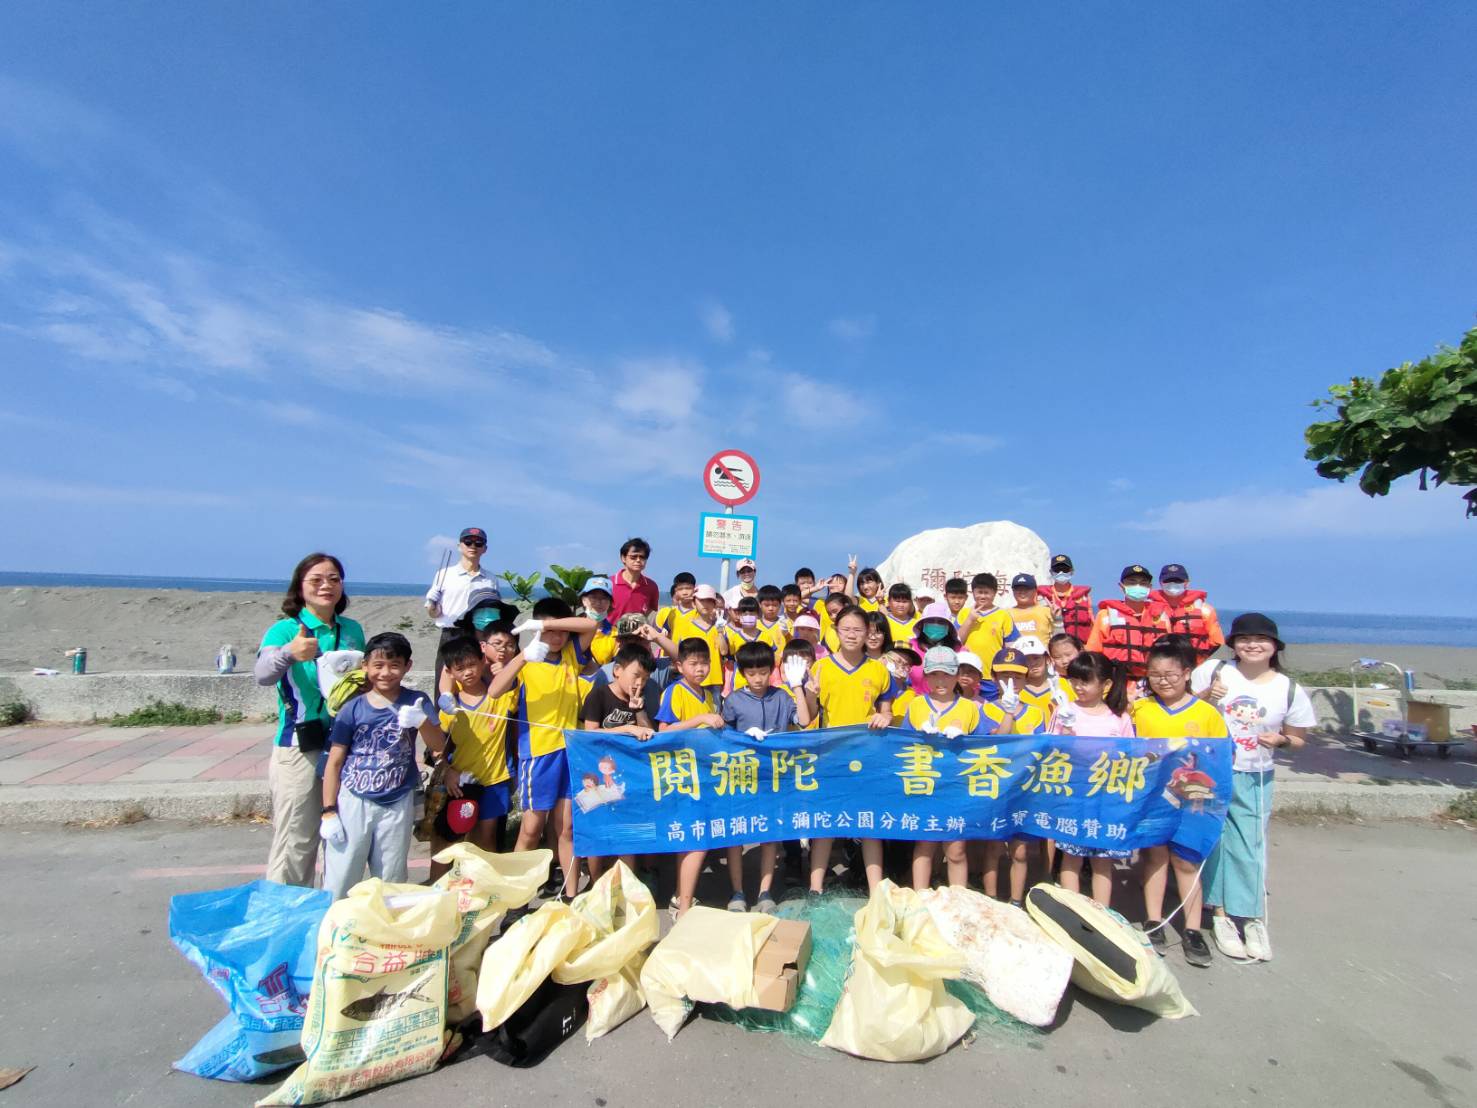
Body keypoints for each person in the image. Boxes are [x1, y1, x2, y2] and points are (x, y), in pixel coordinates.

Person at [1193, 613, 1314, 962]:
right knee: (1213, 842)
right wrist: (1205, 695)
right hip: (1211, 770)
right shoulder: (1215, 671)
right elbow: (1184, 706)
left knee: (1249, 843)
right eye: (1244, 639)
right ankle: (1218, 914)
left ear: (1274, 646)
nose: (1252, 644)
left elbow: (1298, 738)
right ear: (1233, 644)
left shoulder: (1287, 688)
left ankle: (1249, 916)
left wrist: (1281, 741)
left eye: (1261, 639)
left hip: (1255, 773)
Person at [255, 552, 366, 887]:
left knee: (341, 835)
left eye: (334, 578)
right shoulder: (285, 629)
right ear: (299, 587)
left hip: (345, 746)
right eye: (316, 579)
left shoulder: (352, 630)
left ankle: (330, 915)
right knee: (297, 842)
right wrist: (290, 653)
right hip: (299, 747)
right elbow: (261, 674)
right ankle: (285, 918)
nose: (326, 586)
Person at [320, 632, 449, 899]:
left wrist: (422, 721)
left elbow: (439, 744)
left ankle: (386, 934)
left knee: (391, 878)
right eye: (378, 665)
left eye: (394, 665)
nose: (386, 673)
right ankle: (334, 931)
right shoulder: (352, 708)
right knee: (342, 874)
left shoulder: (417, 701)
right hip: (354, 799)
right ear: (365, 666)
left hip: (397, 799)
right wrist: (329, 810)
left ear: (407, 666)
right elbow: (335, 761)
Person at [1130, 637, 1231, 968]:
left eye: (1171, 674)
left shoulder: (1206, 714)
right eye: (1155, 674)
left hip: (1191, 800)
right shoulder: (1141, 708)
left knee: (1186, 861)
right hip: (1152, 796)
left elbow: (1222, 755)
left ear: (1187, 673)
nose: (1163, 680)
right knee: (1155, 857)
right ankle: (1153, 920)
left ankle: (1191, 929)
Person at [486, 598, 588, 899]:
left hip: (569, 752)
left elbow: (590, 624)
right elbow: (494, 690)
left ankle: (571, 897)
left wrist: (546, 624)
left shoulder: (571, 653)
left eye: (561, 630)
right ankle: (516, 901)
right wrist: (522, 657)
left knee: (566, 828)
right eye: (550, 630)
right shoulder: (527, 660)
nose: (557, 637)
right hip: (538, 755)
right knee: (531, 829)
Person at [808, 605, 895, 893]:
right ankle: (815, 888)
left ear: (868, 633)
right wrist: (809, 691)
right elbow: (809, 715)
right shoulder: (820, 668)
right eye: (846, 629)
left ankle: (876, 891)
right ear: (835, 631)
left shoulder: (878, 669)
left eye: (858, 629)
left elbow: (886, 710)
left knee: (869, 824)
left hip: (867, 757)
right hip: (831, 756)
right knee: (826, 825)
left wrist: (884, 716)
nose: (852, 635)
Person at [721, 641, 813, 912]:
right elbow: (722, 736)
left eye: (763, 672)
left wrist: (797, 686)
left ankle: (764, 892)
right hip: (741, 774)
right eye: (751, 673)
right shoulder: (734, 700)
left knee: (770, 833)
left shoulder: (782, 697)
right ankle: (737, 892)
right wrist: (741, 737)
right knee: (736, 835)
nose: (758, 678)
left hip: (774, 776)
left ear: (772, 670)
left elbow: (805, 721)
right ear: (742, 673)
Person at [901, 646, 990, 891]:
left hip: (956, 786)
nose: (940, 681)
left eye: (947, 675)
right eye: (934, 675)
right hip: (924, 783)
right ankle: (920, 897)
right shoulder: (917, 705)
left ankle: (958, 899)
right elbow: (900, 746)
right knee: (925, 844)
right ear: (925, 677)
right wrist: (919, 737)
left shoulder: (970, 707)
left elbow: (986, 745)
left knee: (956, 848)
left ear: (956, 676)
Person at [1049, 651, 1135, 906]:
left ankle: (1102, 912)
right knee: (1071, 856)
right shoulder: (1065, 711)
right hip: (1073, 796)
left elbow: (1130, 757)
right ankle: (1072, 909)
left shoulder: (1119, 717)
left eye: (1085, 681)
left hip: (1105, 798)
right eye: (1074, 680)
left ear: (1106, 684)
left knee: (1102, 860)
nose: (1077, 687)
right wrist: (1064, 727)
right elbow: (1052, 751)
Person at [430, 636, 514, 873]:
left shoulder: (501, 697)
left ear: (482, 662)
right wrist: (447, 771)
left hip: (494, 781)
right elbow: (438, 747)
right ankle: (438, 892)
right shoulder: (450, 707)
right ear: (450, 672)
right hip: (459, 784)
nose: (468, 672)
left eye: (472, 665)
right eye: (460, 668)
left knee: (486, 841)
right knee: (449, 841)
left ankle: (481, 892)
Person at [655, 639, 726, 916]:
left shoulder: (708, 695)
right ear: (679, 665)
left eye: (704, 663)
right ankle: (683, 906)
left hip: (704, 775)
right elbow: (663, 731)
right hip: (683, 776)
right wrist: (700, 719)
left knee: (694, 841)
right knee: (695, 841)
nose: (700, 669)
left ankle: (681, 897)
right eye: (693, 663)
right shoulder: (675, 691)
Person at [579, 642, 658, 879]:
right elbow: (589, 734)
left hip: (627, 777)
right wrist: (626, 728)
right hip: (598, 776)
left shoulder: (639, 701)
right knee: (598, 831)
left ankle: (628, 883)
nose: (639, 683)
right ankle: (595, 884)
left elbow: (649, 734)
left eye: (645, 679)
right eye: (636, 675)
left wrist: (639, 711)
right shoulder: (599, 694)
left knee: (628, 832)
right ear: (617, 670)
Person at [425, 528, 502, 664]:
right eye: (468, 542)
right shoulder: (444, 574)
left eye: (478, 543)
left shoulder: (490, 579)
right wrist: (431, 602)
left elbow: (494, 612)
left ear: (485, 548)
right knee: (444, 682)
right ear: (459, 546)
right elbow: (434, 613)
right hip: (450, 635)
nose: (473, 546)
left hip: (478, 636)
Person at [1086, 564, 1170, 685]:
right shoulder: (1106, 616)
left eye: (1143, 583)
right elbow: (1092, 654)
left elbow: (1170, 654)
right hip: (1115, 683)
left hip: (1151, 683)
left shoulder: (1161, 617)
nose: (1138, 586)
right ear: (1122, 586)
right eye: (1132, 582)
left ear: (1150, 587)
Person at [1149, 564, 1225, 665]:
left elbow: (1218, 645)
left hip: (1196, 668)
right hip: (1160, 670)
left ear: (1186, 583)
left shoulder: (1205, 610)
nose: (1173, 584)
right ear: (1160, 583)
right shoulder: (1148, 608)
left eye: (1178, 581)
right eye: (1168, 581)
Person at [959, 573, 1018, 696]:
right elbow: (957, 640)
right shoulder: (964, 613)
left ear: (994, 593)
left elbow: (1011, 647)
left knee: (993, 711)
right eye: (979, 592)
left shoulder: (1003, 615)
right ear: (973, 592)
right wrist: (970, 619)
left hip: (992, 676)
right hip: (967, 675)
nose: (983, 596)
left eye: (987, 593)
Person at [672, 584, 727, 694]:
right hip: (691, 679)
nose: (705, 604)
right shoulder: (685, 627)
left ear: (714, 604)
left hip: (714, 680)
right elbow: (678, 653)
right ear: (694, 602)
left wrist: (720, 630)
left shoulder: (719, 627)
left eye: (709, 601)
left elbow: (724, 651)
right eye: (701, 600)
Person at [1041, 554, 1095, 643]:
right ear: (1051, 572)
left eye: (1065, 570)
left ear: (1072, 571)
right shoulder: (1042, 596)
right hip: (1054, 647)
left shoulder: (1084, 597)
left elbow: (1092, 624)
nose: (1061, 573)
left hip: (1080, 648)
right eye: (1057, 570)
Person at [610, 537, 659, 618]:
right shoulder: (609, 583)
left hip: (638, 630)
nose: (638, 560)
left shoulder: (651, 586)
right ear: (623, 558)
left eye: (642, 557)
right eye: (633, 557)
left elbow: (651, 608)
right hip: (609, 630)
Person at [1008, 573, 1053, 642]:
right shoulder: (1006, 614)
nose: (1022, 592)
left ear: (1035, 591)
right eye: (1018, 589)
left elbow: (1059, 639)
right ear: (1013, 591)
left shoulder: (1048, 612)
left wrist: (1058, 619)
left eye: (1026, 589)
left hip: (1042, 652)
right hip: (1014, 653)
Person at [655, 572, 697, 639]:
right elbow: (663, 634)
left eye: (688, 588)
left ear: (694, 589)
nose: (685, 593)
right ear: (676, 591)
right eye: (680, 589)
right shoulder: (672, 613)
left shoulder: (700, 612)